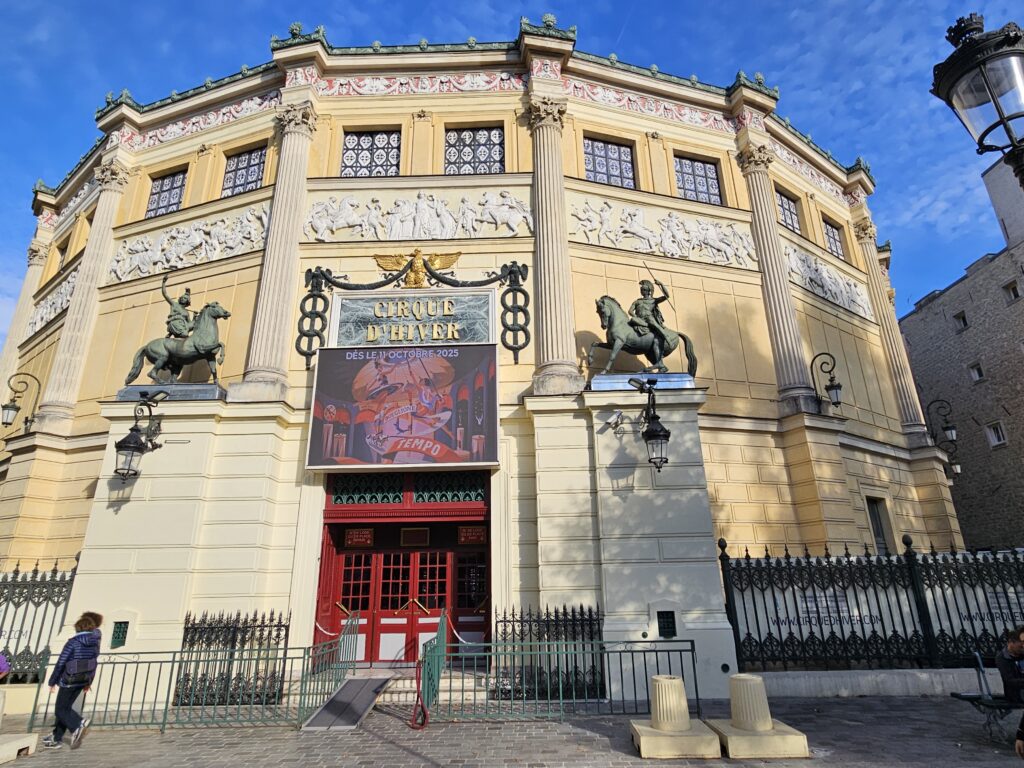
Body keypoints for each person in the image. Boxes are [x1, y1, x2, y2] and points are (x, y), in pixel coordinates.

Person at [41, 612, 103, 751]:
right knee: (66, 709)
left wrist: (52, 681)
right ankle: (56, 738)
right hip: (82, 679)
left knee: (60, 710)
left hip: (69, 679)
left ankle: (78, 723)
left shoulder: (73, 642)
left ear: (78, 628)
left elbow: (61, 662)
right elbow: (94, 662)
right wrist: (89, 681)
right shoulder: (94, 643)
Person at [995, 626, 1024, 758]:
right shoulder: (1002, 658)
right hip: (1016, 693)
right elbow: (1009, 681)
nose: (1023, 647)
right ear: (1011, 642)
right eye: (1021, 644)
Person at [161, 274, 194, 339]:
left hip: (183, 325)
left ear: (187, 302)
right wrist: (163, 283)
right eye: (182, 297)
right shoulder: (174, 304)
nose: (182, 299)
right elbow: (165, 294)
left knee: (195, 323)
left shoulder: (186, 312)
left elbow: (190, 324)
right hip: (175, 322)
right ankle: (171, 333)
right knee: (185, 335)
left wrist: (195, 317)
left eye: (185, 298)